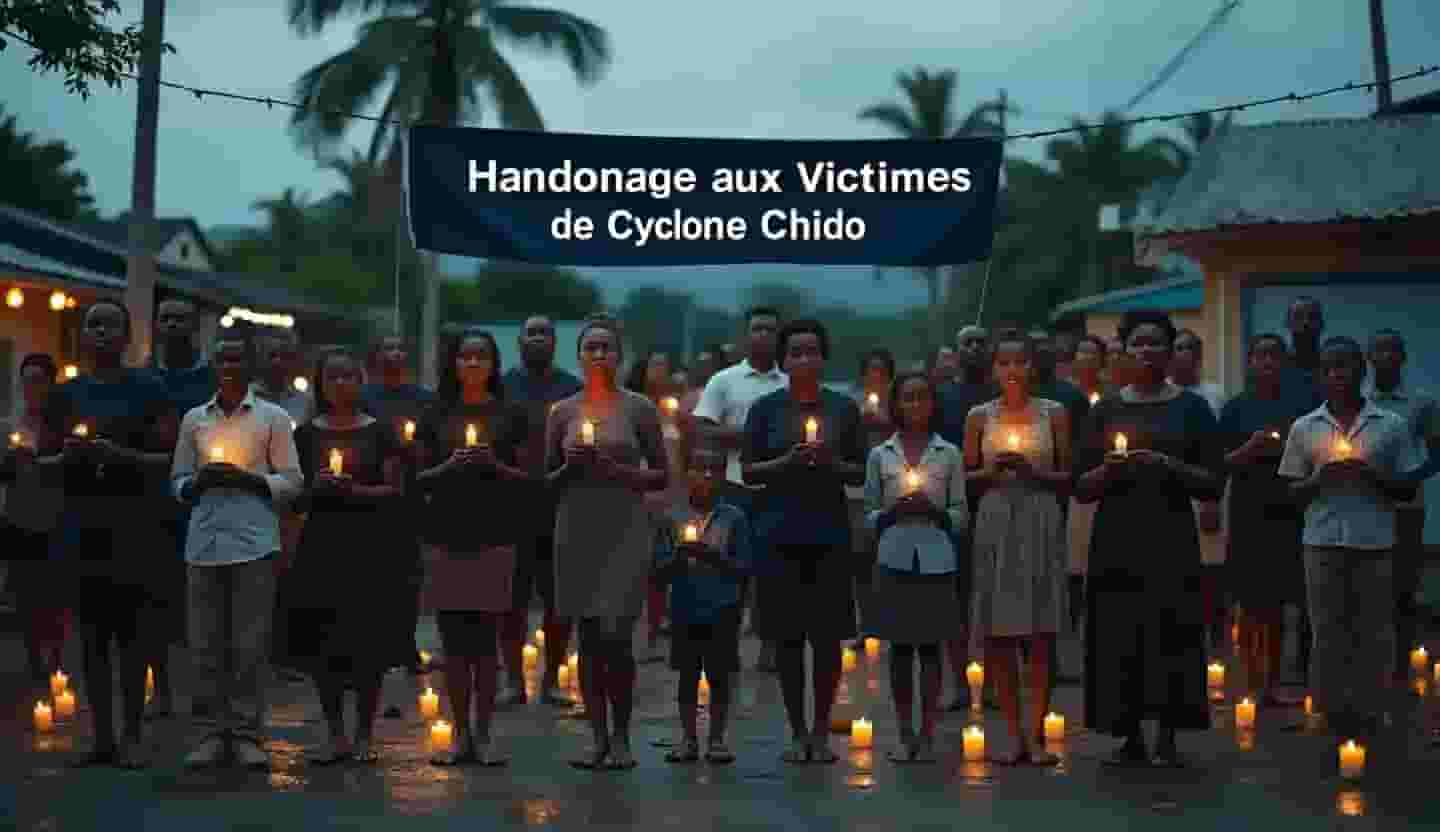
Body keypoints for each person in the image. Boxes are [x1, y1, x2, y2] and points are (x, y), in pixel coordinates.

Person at [1077, 309, 1222, 768]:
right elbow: (1080, 487)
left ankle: (1169, 732)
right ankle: (1129, 733)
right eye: (1137, 343)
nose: (1146, 351)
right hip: (1117, 537)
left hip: (1170, 536)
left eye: (1156, 342)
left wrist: (1169, 466)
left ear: (1170, 349)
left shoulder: (1192, 408)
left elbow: (1213, 480)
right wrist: (1107, 471)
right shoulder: (1106, 410)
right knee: (1121, 633)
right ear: (1123, 350)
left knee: (1171, 631)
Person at [45, 300, 175, 768]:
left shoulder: (148, 388)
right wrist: (67, 458)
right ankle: (101, 737)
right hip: (83, 525)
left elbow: (169, 459)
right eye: (93, 325)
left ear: (127, 337)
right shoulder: (65, 394)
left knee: (132, 635)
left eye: (111, 325)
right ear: (83, 335)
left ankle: (133, 737)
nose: (101, 332)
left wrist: (120, 456)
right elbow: (45, 462)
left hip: (134, 526)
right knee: (92, 636)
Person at [1279, 337, 1421, 749]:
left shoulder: (1390, 425)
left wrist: (1373, 476)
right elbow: (1290, 492)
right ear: (1320, 376)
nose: (1337, 374)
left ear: (1362, 371)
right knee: (1327, 630)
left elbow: (1408, 486)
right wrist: (1318, 480)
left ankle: (1372, 710)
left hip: (1374, 540)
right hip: (1322, 540)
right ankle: (1330, 711)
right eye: (1328, 368)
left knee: (1374, 628)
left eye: (1345, 366)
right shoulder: (1305, 428)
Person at [275, 348, 410, 765]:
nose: (341, 384)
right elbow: (293, 495)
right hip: (322, 548)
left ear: (361, 380)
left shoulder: (380, 431)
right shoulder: (305, 436)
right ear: (321, 383)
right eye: (333, 377)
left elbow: (396, 490)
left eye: (349, 376)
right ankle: (336, 735)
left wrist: (355, 492)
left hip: (369, 549)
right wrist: (317, 489)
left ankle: (365, 735)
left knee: (367, 645)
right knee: (326, 645)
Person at [172, 334, 301, 769]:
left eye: (237, 358)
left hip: (254, 543)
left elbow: (292, 481)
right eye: (222, 358)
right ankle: (210, 733)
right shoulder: (194, 420)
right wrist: (196, 484)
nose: (228, 366)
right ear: (213, 365)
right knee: (205, 643)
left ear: (250, 367)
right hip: (204, 543)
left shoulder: (273, 418)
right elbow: (178, 480)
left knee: (249, 644)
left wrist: (249, 480)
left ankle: (246, 733)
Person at [548, 315, 670, 770]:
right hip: (577, 527)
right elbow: (547, 481)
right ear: (579, 357)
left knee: (617, 635)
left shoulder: (639, 409)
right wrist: (572, 467)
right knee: (589, 636)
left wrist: (615, 469)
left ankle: (621, 738)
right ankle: (596, 738)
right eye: (591, 348)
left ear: (619, 356)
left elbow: (661, 474)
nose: (599, 354)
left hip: (624, 527)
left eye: (607, 348)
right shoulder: (562, 412)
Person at [742, 318, 865, 765]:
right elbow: (750, 471)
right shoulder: (766, 409)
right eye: (795, 352)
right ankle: (797, 731)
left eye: (812, 351)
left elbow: (860, 471)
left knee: (828, 638)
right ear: (783, 359)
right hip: (778, 532)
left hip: (828, 532)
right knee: (788, 638)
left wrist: (831, 461)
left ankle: (820, 730)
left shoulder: (842, 410)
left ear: (824, 357)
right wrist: (786, 463)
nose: (804, 359)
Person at [417, 330, 529, 766]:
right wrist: (449, 466)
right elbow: (415, 478)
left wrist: (493, 465)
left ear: (494, 364)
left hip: (495, 536)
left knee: (485, 642)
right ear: (454, 363)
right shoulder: (436, 413)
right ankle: (460, 732)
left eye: (482, 356)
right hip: (446, 534)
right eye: (466, 356)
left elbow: (530, 480)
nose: (473, 363)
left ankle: (484, 734)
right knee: (453, 641)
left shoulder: (510, 414)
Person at [964, 331, 1071, 765]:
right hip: (995, 518)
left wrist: (1035, 472)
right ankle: (1012, 733)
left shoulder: (1055, 413)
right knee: (1001, 634)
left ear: (1034, 366)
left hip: (1040, 516)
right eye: (1004, 363)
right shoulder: (978, 416)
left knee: (1041, 632)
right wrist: (990, 470)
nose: (1012, 371)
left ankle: (1037, 732)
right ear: (993, 370)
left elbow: (1069, 477)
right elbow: (964, 478)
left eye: (1020, 362)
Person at [863, 370, 968, 764]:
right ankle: (904, 730)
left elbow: (961, 516)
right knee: (901, 649)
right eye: (908, 398)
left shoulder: (949, 453)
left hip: (937, 559)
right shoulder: (881, 455)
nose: (916, 404)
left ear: (933, 404)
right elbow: (869, 516)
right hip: (893, 556)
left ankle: (927, 734)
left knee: (930, 648)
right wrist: (893, 511)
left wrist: (934, 511)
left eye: (923, 397)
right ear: (896, 405)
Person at [1218, 334, 1312, 706]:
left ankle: (1274, 681)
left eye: (1275, 356)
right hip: (1247, 510)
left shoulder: (1303, 407)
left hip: (1288, 509)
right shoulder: (1236, 408)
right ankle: (1252, 681)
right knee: (1251, 600)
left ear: (1285, 362)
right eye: (1261, 355)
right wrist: (1251, 449)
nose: (1268, 362)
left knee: (1280, 601)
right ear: (1250, 362)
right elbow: (1219, 461)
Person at [693, 308, 787, 670]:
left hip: (774, 485)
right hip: (731, 485)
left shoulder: (787, 383)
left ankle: (768, 647)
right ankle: (725, 644)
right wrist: (747, 436)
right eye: (757, 329)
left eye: (769, 329)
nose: (763, 335)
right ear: (746, 336)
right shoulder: (725, 380)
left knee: (771, 569)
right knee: (727, 566)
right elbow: (702, 427)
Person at [501, 315, 584, 707]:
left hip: (560, 502)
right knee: (511, 600)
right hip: (512, 504)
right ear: (519, 342)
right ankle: (513, 682)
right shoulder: (502, 387)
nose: (537, 338)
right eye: (530, 332)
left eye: (544, 333)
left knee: (559, 601)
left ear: (554, 342)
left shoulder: (572, 389)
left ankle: (550, 680)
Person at [655, 445, 753, 765]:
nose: (706, 475)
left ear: (725, 477)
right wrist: (678, 559)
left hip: (722, 609)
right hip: (684, 608)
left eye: (715, 469)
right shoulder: (672, 518)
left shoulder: (734, 518)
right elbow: (658, 569)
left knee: (720, 675)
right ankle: (687, 738)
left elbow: (744, 569)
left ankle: (717, 739)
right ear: (686, 475)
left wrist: (715, 558)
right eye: (699, 468)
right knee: (687, 674)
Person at [145, 298, 217, 719]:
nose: (172, 325)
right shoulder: (145, 377)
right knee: (156, 602)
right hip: (151, 504)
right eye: (165, 318)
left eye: (181, 320)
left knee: (201, 604)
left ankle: (203, 689)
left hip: (200, 502)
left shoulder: (209, 380)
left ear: (194, 328)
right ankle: (164, 691)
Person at [1365, 330, 1440, 684]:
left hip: (1407, 507)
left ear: (1403, 357)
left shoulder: (1421, 402)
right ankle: (1369, 669)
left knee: (1403, 590)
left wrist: (1412, 477)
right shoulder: (1359, 400)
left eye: (1392, 350)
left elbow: (1437, 453)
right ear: (1368, 358)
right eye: (1378, 350)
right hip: (1365, 506)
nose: (1385, 357)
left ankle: (1398, 671)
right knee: (1367, 590)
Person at [360, 335, 435, 677]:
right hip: (372, 494)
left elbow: (434, 444)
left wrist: (416, 453)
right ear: (375, 357)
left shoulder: (424, 399)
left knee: (409, 575)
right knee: (373, 574)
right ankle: (374, 645)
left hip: (413, 496)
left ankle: (405, 646)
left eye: (400, 348)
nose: (394, 353)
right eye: (386, 347)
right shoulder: (363, 399)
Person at [1, 354, 68, 714]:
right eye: (27, 380)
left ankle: (55, 655)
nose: (32, 388)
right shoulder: (10, 424)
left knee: (53, 595)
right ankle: (32, 660)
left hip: (54, 519)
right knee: (25, 595)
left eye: (39, 380)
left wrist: (45, 463)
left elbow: (72, 468)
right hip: (18, 519)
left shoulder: (60, 427)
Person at [936, 324, 998, 710]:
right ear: (956, 353)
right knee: (954, 600)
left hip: (998, 502)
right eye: (967, 342)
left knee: (994, 597)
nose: (975, 347)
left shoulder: (1002, 396)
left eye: (981, 341)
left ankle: (993, 681)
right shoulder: (942, 398)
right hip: (954, 509)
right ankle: (957, 683)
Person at [625, 351, 686, 665]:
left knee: (663, 568)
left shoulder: (673, 408)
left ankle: (652, 635)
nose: (663, 370)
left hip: (670, 497)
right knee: (638, 568)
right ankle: (633, 636)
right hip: (640, 494)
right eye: (656, 365)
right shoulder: (632, 406)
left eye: (666, 364)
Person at [250, 330, 316, 427]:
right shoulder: (244, 398)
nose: (277, 361)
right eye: (272, 355)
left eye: (284, 356)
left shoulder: (304, 402)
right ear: (260, 357)